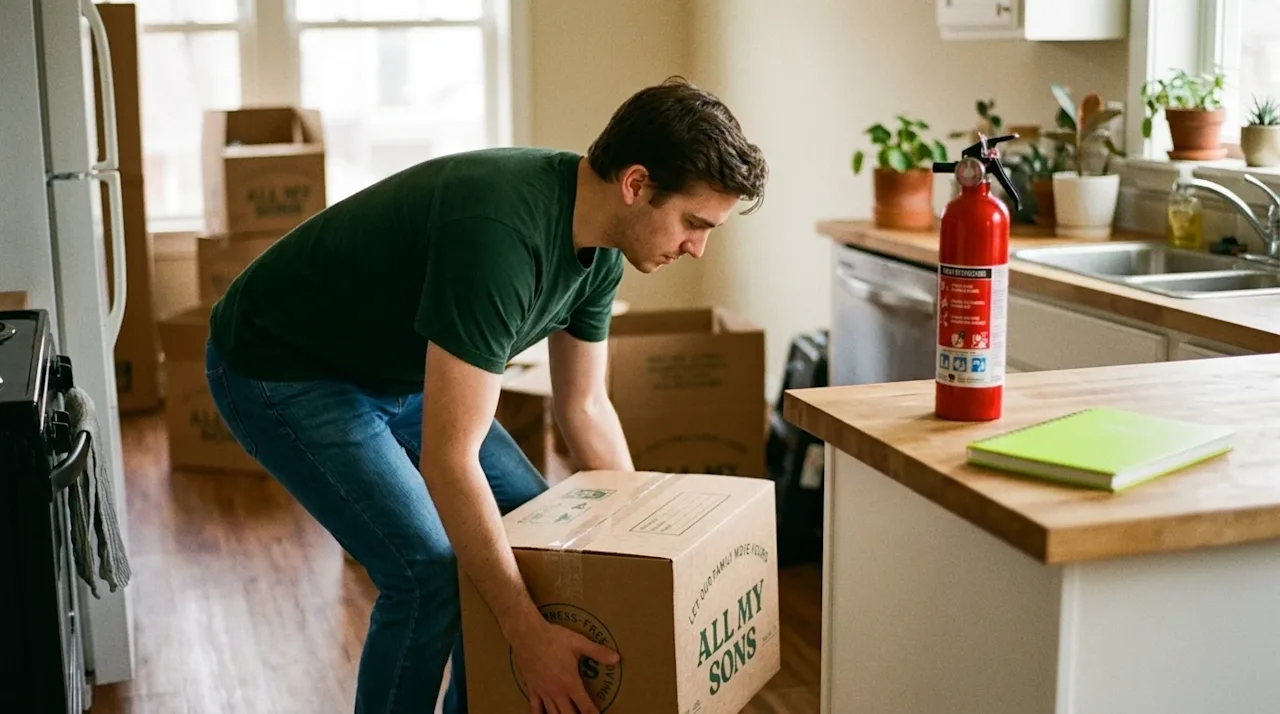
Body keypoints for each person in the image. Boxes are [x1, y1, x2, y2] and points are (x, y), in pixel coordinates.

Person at [204, 76, 768, 714]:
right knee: (426, 572)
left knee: (532, 532)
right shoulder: (500, 236)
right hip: (284, 365)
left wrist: (648, 552)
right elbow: (450, 462)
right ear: (636, 185)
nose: (698, 247)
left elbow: (585, 406)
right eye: (694, 222)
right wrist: (525, 633)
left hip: (396, 370)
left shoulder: (606, 249)